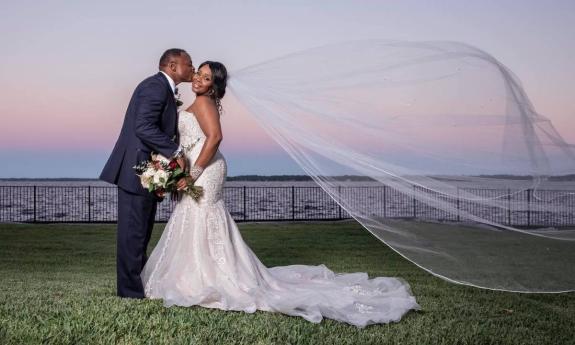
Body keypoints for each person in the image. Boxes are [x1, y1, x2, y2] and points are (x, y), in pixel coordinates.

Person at [141, 61, 420, 328]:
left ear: (214, 87)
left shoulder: (204, 103)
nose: (199, 80)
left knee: (203, 214)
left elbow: (215, 138)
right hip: (196, 165)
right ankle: (195, 274)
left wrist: (193, 174)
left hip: (206, 169)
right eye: (199, 74)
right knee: (193, 215)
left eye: (206, 77)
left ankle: (210, 277)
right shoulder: (198, 102)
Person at [100, 49, 195, 298]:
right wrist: (176, 151)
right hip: (137, 169)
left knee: (141, 232)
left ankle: (139, 286)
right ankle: (130, 292)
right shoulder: (155, 87)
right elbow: (143, 126)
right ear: (173, 66)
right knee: (133, 234)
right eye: (189, 64)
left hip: (148, 170)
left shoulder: (162, 88)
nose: (193, 68)